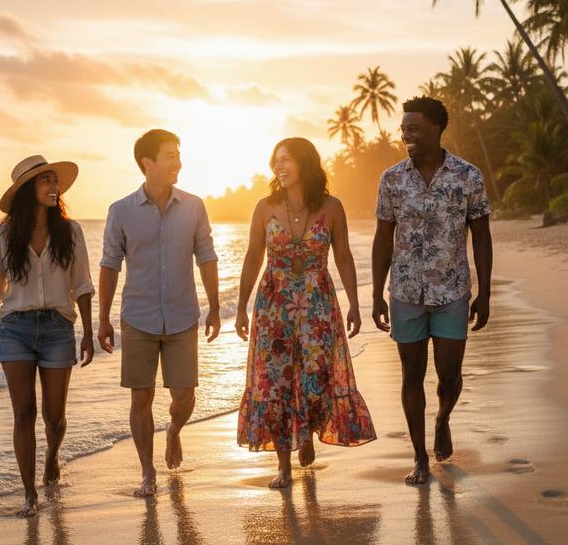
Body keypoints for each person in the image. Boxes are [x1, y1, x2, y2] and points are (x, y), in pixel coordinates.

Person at [236, 137, 376, 489]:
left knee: (315, 376)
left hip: (317, 305)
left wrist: (355, 304)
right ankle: (284, 464)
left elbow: (342, 255)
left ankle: (308, 433)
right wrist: (240, 306)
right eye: (275, 161)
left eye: (285, 160)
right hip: (273, 307)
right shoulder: (265, 207)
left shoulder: (331, 207)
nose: (278, 167)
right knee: (276, 381)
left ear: (304, 163)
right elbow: (253, 257)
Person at [0, 155, 95, 516]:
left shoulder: (71, 232)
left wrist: (87, 331)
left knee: (54, 417)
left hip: (57, 328)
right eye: (45, 181)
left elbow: (82, 285)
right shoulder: (5, 237)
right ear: (27, 190)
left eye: (55, 181)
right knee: (23, 413)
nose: (54, 187)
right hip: (15, 331)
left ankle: (52, 456)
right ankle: (29, 494)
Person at [372, 97, 492, 485]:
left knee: (449, 376)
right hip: (405, 291)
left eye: (414, 128)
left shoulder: (467, 176)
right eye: (403, 128)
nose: (405, 134)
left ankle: (442, 418)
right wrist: (376, 293)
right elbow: (382, 238)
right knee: (411, 374)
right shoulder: (392, 179)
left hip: (452, 291)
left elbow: (482, 236)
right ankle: (420, 457)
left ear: (436, 130)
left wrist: (484, 292)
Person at [98, 129, 220, 498]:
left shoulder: (195, 206)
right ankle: (147, 472)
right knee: (141, 397)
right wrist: (102, 318)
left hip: (183, 316)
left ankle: (175, 431)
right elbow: (109, 264)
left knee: (185, 397)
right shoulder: (120, 211)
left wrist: (216, 306)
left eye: (178, 155)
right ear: (147, 163)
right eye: (170, 155)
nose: (177, 162)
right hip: (138, 317)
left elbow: (207, 255)